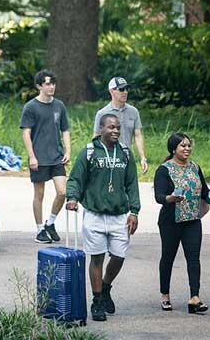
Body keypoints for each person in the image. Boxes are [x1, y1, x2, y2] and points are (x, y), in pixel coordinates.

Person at [66, 113, 141, 321]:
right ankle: (97, 300)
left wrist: (134, 211)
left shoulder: (125, 153)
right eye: (111, 127)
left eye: (118, 127)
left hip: (119, 216)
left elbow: (132, 184)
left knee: (118, 256)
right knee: (97, 257)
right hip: (94, 214)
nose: (116, 130)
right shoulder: (89, 152)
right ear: (101, 129)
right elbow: (76, 178)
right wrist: (72, 197)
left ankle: (106, 287)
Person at [154, 132, 210, 314]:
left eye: (189, 145)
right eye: (183, 146)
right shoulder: (164, 169)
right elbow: (158, 197)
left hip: (192, 219)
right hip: (171, 221)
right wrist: (171, 198)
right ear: (173, 149)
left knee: (193, 258)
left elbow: (204, 191)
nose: (187, 149)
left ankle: (194, 298)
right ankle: (165, 295)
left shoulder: (195, 167)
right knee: (168, 257)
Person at [20, 70, 71, 244]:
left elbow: (65, 130)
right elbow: (26, 133)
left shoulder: (59, 106)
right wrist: (32, 156)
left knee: (63, 192)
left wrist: (68, 151)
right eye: (47, 84)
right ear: (39, 86)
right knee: (39, 195)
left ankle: (51, 222)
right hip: (39, 158)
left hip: (56, 157)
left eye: (53, 83)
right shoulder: (31, 107)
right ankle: (40, 229)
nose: (51, 87)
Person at [92, 76, 149, 174]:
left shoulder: (133, 111)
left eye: (127, 89)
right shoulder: (102, 113)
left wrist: (142, 157)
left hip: (127, 157)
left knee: (128, 187)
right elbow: (96, 137)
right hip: (108, 159)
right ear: (112, 91)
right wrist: (95, 158)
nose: (125, 92)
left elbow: (138, 135)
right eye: (121, 89)